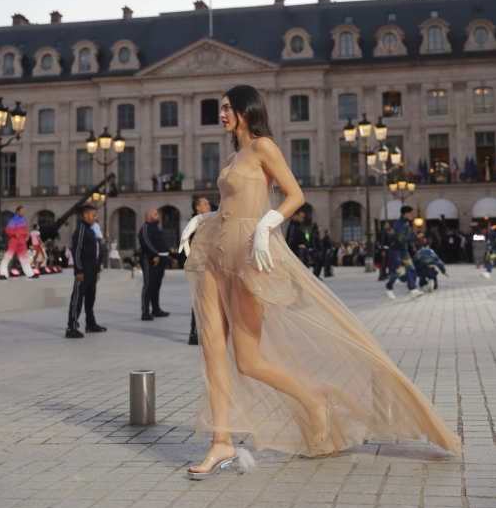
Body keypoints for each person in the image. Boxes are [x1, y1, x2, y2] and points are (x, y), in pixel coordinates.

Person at [178, 85, 459, 479]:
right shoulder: (233, 155)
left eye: (227, 108)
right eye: (220, 108)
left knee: (247, 360)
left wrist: (267, 224)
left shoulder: (263, 148)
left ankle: (313, 402)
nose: (221, 113)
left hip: (247, 257)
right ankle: (220, 441)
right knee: (210, 348)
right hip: (215, 255)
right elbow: (229, 207)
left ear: (246, 110)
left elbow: (295, 195)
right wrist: (201, 220)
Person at [66, 205, 106, 338]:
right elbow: (76, 251)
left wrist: (97, 270)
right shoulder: (81, 230)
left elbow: (93, 252)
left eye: (96, 215)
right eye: (94, 216)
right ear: (86, 216)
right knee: (77, 299)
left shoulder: (90, 230)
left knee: (90, 298)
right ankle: (71, 327)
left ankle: (90, 323)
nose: (96, 218)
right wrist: (79, 270)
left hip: (92, 270)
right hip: (83, 270)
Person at [385, 206, 424, 301]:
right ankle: (389, 287)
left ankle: (413, 290)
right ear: (405, 213)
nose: (412, 215)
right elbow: (401, 238)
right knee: (397, 272)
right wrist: (415, 237)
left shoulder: (407, 223)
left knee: (411, 269)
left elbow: (407, 236)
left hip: (404, 250)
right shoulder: (398, 224)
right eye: (410, 213)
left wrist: (415, 237)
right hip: (396, 250)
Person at [188, 196, 212, 345]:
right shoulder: (196, 222)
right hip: (201, 265)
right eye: (205, 203)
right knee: (199, 300)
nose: (208, 205)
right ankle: (194, 333)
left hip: (210, 265)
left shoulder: (207, 221)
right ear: (198, 208)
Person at [138, 210, 170, 320]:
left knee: (156, 286)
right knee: (149, 285)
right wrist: (155, 254)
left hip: (161, 260)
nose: (158, 216)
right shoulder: (145, 228)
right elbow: (145, 242)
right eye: (155, 214)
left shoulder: (156, 228)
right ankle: (145, 311)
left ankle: (156, 309)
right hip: (150, 260)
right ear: (148, 216)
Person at [0, 206, 38, 280]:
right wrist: (15, 234)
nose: (23, 213)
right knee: (8, 256)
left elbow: (25, 230)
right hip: (15, 240)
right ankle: (3, 273)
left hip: (22, 241)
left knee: (24, 258)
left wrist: (26, 236)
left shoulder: (23, 220)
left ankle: (30, 273)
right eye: (21, 211)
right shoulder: (13, 220)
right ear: (17, 211)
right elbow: (8, 230)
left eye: (23, 211)